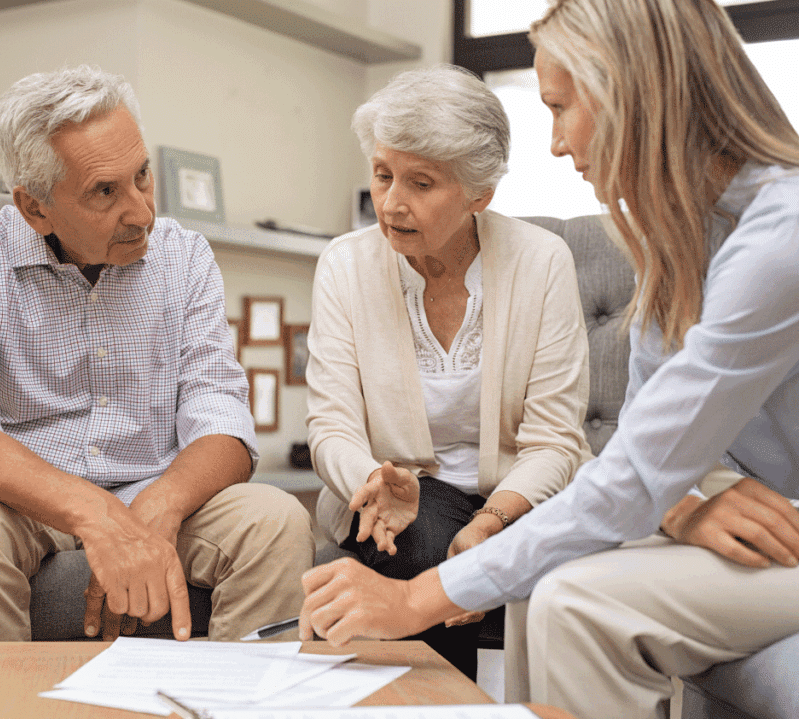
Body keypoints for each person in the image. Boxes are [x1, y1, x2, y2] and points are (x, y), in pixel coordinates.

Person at [300, 1, 799, 717]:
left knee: (570, 602)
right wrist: (686, 504)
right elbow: (640, 448)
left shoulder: (781, 233)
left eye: (561, 108)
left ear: (629, 93)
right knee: (548, 588)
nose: (558, 143)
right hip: (771, 518)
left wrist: (416, 598)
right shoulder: (678, 242)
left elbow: (625, 474)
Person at [0, 65, 314, 642]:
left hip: (152, 487)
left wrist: (157, 509)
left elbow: (224, 425)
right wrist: (97, 518)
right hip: (14, 504)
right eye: (105, 192)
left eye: (142, 175)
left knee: (276, 521)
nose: (142, 211)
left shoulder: (186, 257)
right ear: (34, 208)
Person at [305, 64, 592, 681]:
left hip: (517, 500)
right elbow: (331, 425)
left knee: (433, 542)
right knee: (416, 532)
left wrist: (492, 520)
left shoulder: (542, 263)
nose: (391, 203)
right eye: (383, 176)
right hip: (388, 501)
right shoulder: (344, 266)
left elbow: (554, 442)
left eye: (422, 183)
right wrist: (374, 483)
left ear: (478, 193)